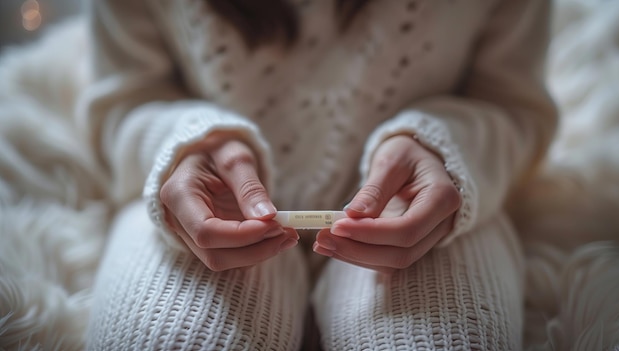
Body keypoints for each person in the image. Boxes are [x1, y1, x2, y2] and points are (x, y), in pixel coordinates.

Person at [79, 0, 557, 349]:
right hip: (206, 207)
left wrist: (441, 148)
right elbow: (124, 102)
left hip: (426, 206)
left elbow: (513, 104)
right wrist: (188, 144)